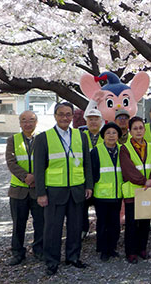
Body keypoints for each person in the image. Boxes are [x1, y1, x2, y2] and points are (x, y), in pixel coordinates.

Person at [34, 102, 93, 276]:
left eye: (68, 114)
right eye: (61, 114)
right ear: (55, 116)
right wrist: (41, 193)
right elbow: (38, 168)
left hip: (76, 189)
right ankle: (52, 262)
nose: (65, 118)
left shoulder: (81, 136)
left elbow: (87, 164)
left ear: (72, 116)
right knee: (53, 228)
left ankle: (73, 257)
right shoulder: (43, 138)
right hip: (54, 191)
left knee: (75, 227)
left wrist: (88, 185)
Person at [6, 110, 44, 266]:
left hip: (38, 189)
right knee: (18, 223)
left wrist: (36, 176)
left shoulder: (43, 139)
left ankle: (39, 250)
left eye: (31, 120)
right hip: (18, 190)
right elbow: (11, 162)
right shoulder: (12, 140)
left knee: (40, 222)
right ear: (20, 123)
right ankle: (17, 252)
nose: (28, 123)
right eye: (24, 120)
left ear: (36, 122)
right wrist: (26, 177)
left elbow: (47, 160)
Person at [120, 116, 151, 264]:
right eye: (135, 128)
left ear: (144, 129)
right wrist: (143, 181)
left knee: (144, 223)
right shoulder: (125, 148)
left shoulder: (150, 146)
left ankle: (142, 248)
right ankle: (131, 252)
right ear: (130, 131)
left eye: (141, 128)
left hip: (147, 191)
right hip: (133, 192)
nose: (138, 131)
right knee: (131, 224)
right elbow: (128, 170)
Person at [91, 122, 124, 262]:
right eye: (108, 133)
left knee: (115, 224)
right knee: (103, 224)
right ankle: (103, 249)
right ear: (103, 135)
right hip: (102, 195)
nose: (111, 136)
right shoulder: (96, 151)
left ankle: (112, 248)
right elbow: (92, 172)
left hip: (117, 194)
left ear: (118, 136)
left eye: (114, 133)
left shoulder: (123, 150)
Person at [81, 108, 104, 240]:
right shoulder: (80, 136)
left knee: (100, 209)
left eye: (96, 119)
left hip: (101, 180)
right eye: (90, 119)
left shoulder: (107, 136)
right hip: (83, 179)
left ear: (101, 121)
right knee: (82, 207)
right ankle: (84, 229)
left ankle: (101, 233)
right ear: (86, 121)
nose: (93, 122)